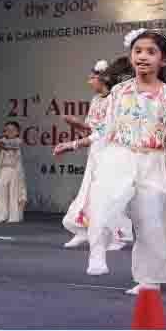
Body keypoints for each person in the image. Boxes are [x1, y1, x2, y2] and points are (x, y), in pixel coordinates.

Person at [64, 28, 166, 292]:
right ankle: (97, 252)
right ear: (131, 56)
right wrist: (75, 142)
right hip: (121, 156)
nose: (143, 56)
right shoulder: (119, 91)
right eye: (138, 51)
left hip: (154, 162)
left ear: (163, 60)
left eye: (151, 52)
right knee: (104, 201)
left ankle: (149, 280)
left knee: (149, 222)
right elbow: (106, 128)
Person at [59, 57, 134, 249]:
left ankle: (118, 236)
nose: (89, 81)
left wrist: (73, 144)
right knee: (88, 193)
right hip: (96, 152)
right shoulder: (95, 100)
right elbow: (91, 130)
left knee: (112, 194)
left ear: (104, 79)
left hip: (113, 150)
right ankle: (82, 229)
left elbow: (105, 131)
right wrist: (76, 124)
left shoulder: (115, 99)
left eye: (92, 77)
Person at [0, 121, 28, 224]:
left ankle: (14, 217)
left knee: (14, 193)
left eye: (12, 130)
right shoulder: (2, 140)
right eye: (7, 130)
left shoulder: (18, 141)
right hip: (3, 170)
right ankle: (2, 215)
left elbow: (9, 145)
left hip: (14, 171)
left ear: (17, 132)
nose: (9, 132)